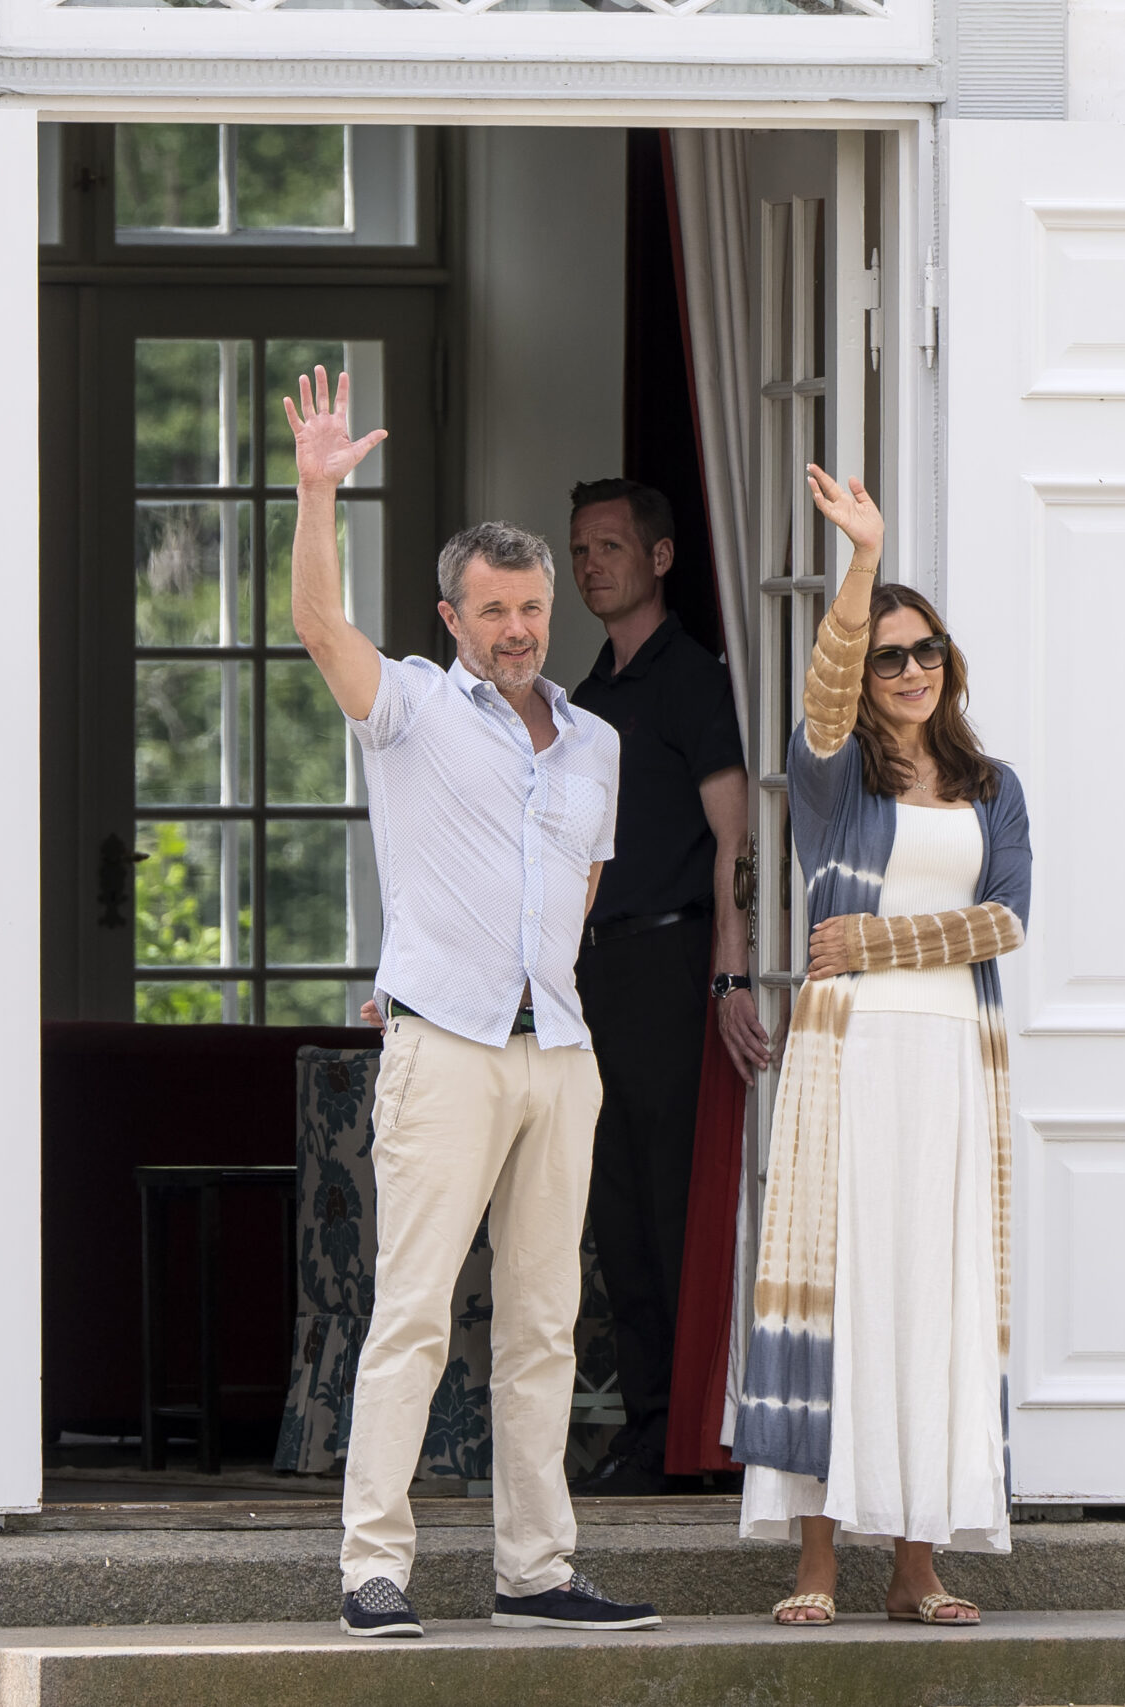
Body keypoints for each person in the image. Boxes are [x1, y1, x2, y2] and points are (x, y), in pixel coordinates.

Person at [283, 365, 661, 1640]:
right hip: (442, 1047)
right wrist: (317, 492)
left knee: (546, 1324)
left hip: (558, 1054)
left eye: (532, 606)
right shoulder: (409, 711)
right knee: (414, 1316)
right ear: (450, 616)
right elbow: (319, 629)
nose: (516, 628)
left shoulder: (594, 743)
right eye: (492, 609)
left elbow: (581, 892)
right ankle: (372, 1569)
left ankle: (536, 1569)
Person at [733, 464, 1033, 1629]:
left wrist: (873, 936)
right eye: (889, 655)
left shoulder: (992, 787)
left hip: (954, 1064)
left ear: (949, 664)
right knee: (842, 1288)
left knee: (931, 1293)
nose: (908, 670)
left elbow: (1005, 919)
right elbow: (821, 691)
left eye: (926, 652)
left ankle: (917, 1565)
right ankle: (818, 1559)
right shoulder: (832, 779)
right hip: (849, 1062)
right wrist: (861, 563)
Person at [561, 477, 771, 1498]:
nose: (591, 564)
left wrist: (730, 972)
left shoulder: (691, 679)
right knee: (614, 1203)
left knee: (673, 1202)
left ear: (658, 557)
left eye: (609, 545)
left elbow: (736, 840)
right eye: (580, 550)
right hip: (596, 969)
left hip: (674, 960)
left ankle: (699, 1436)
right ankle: (648, 1432)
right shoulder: (587, 698)